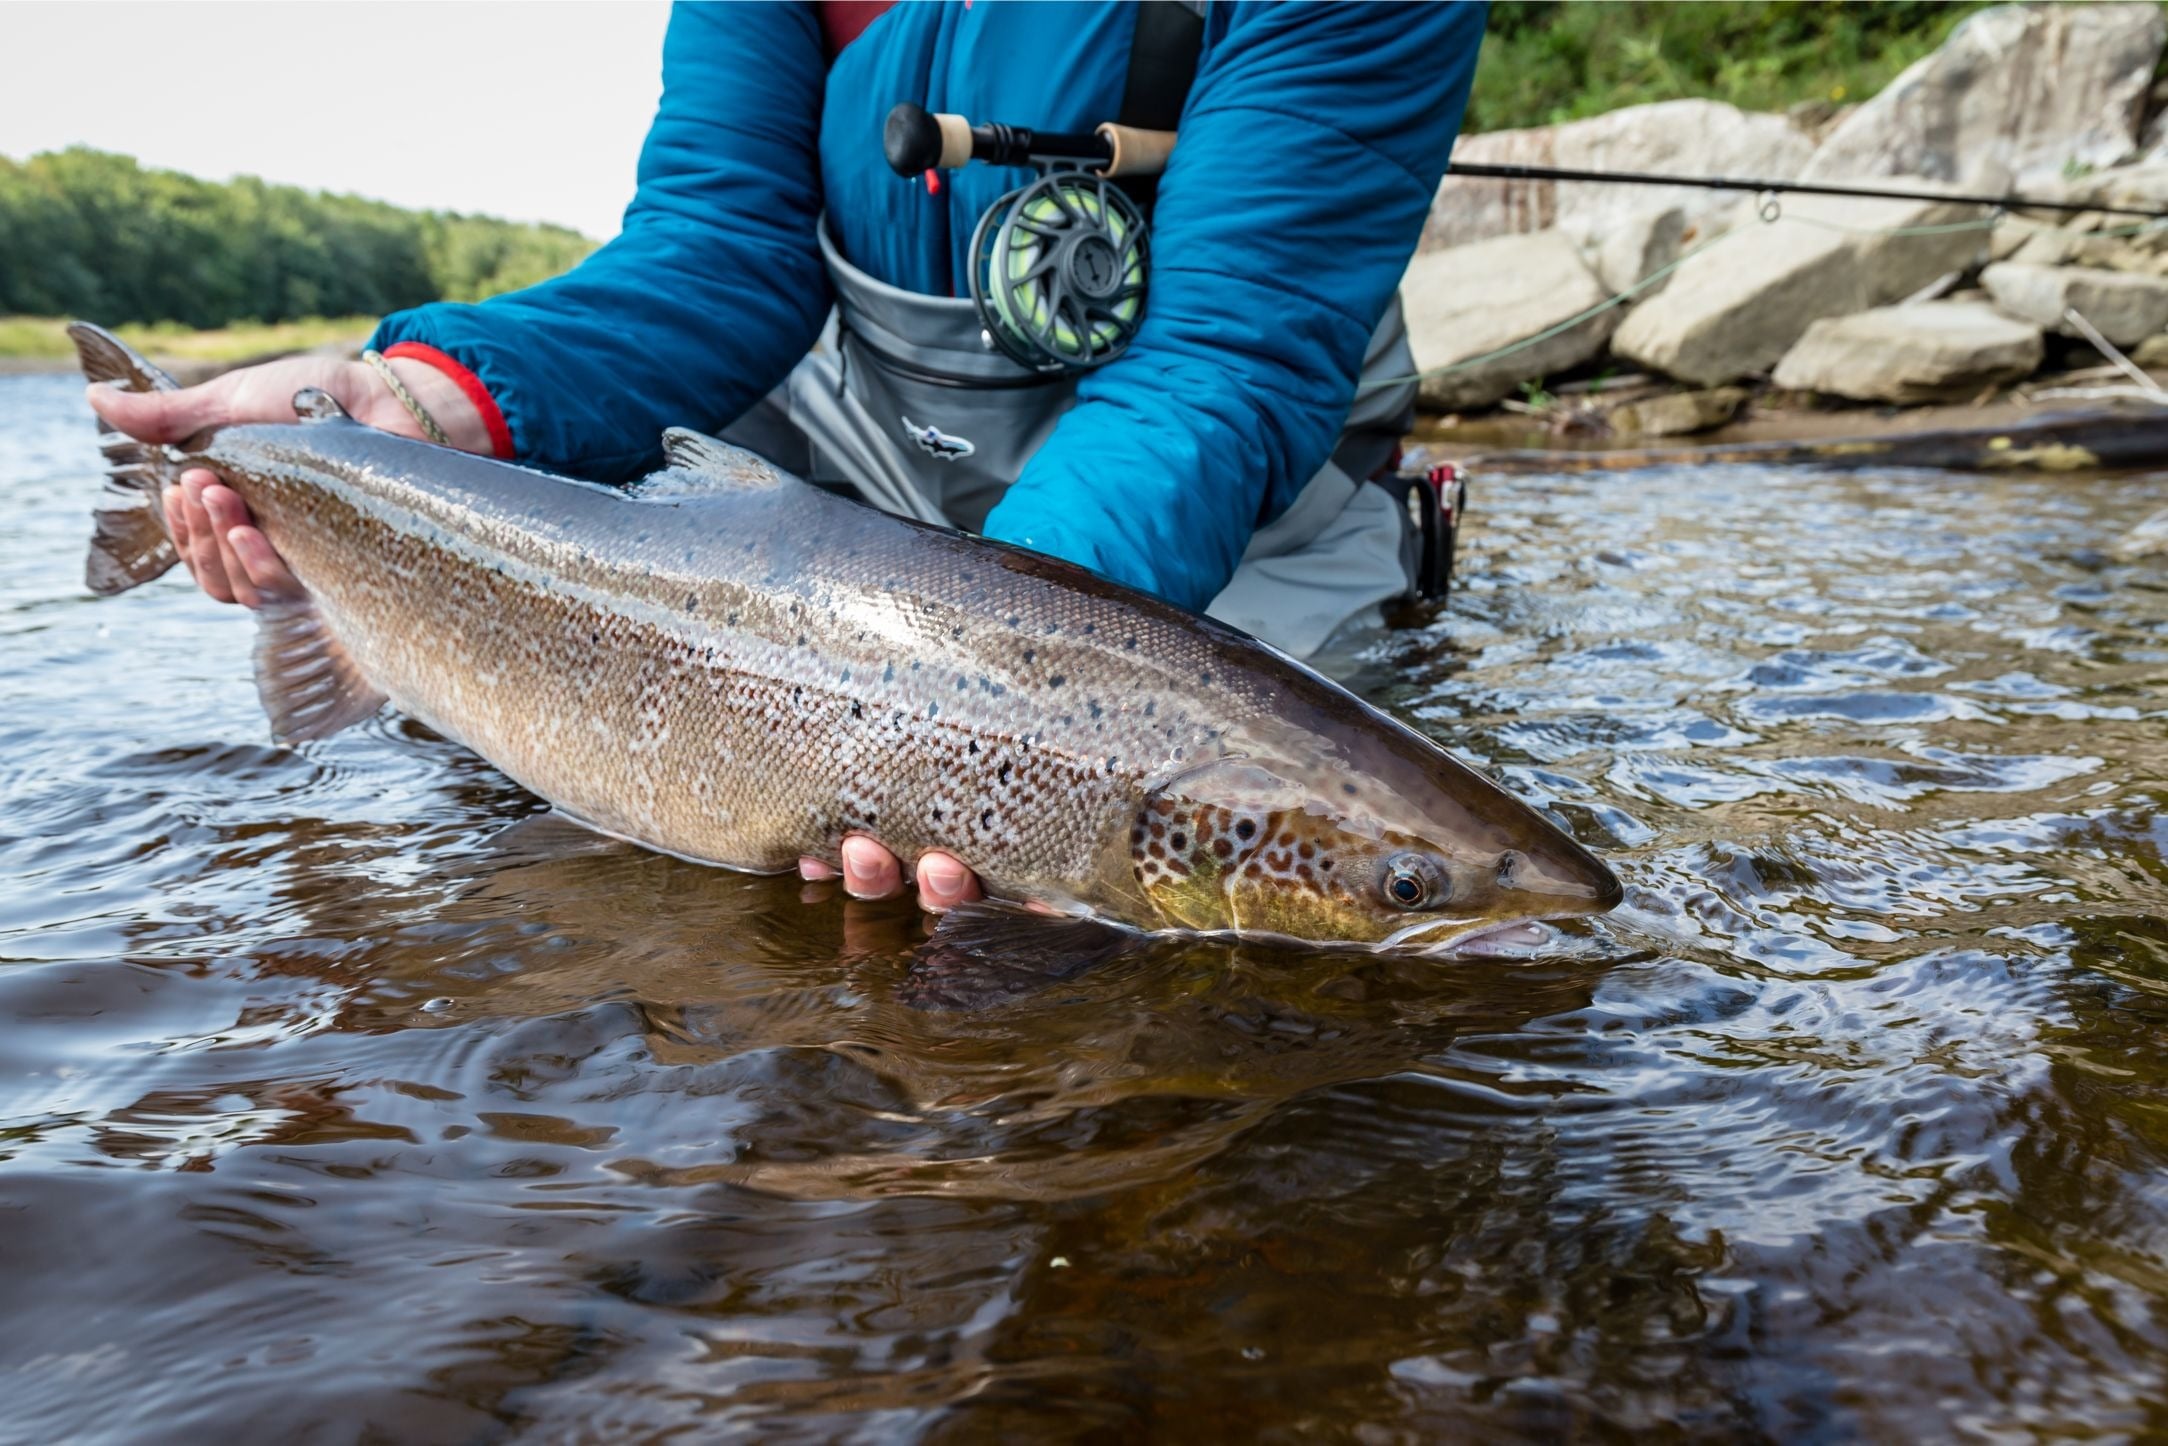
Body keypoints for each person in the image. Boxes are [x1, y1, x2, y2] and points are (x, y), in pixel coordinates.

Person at [88, 0, 1484, 912]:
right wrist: (416, 398)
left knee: (1098, 918)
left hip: (1216, 470)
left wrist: (994, 705)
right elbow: (717, 256)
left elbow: (1217, 369)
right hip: (873, 448)